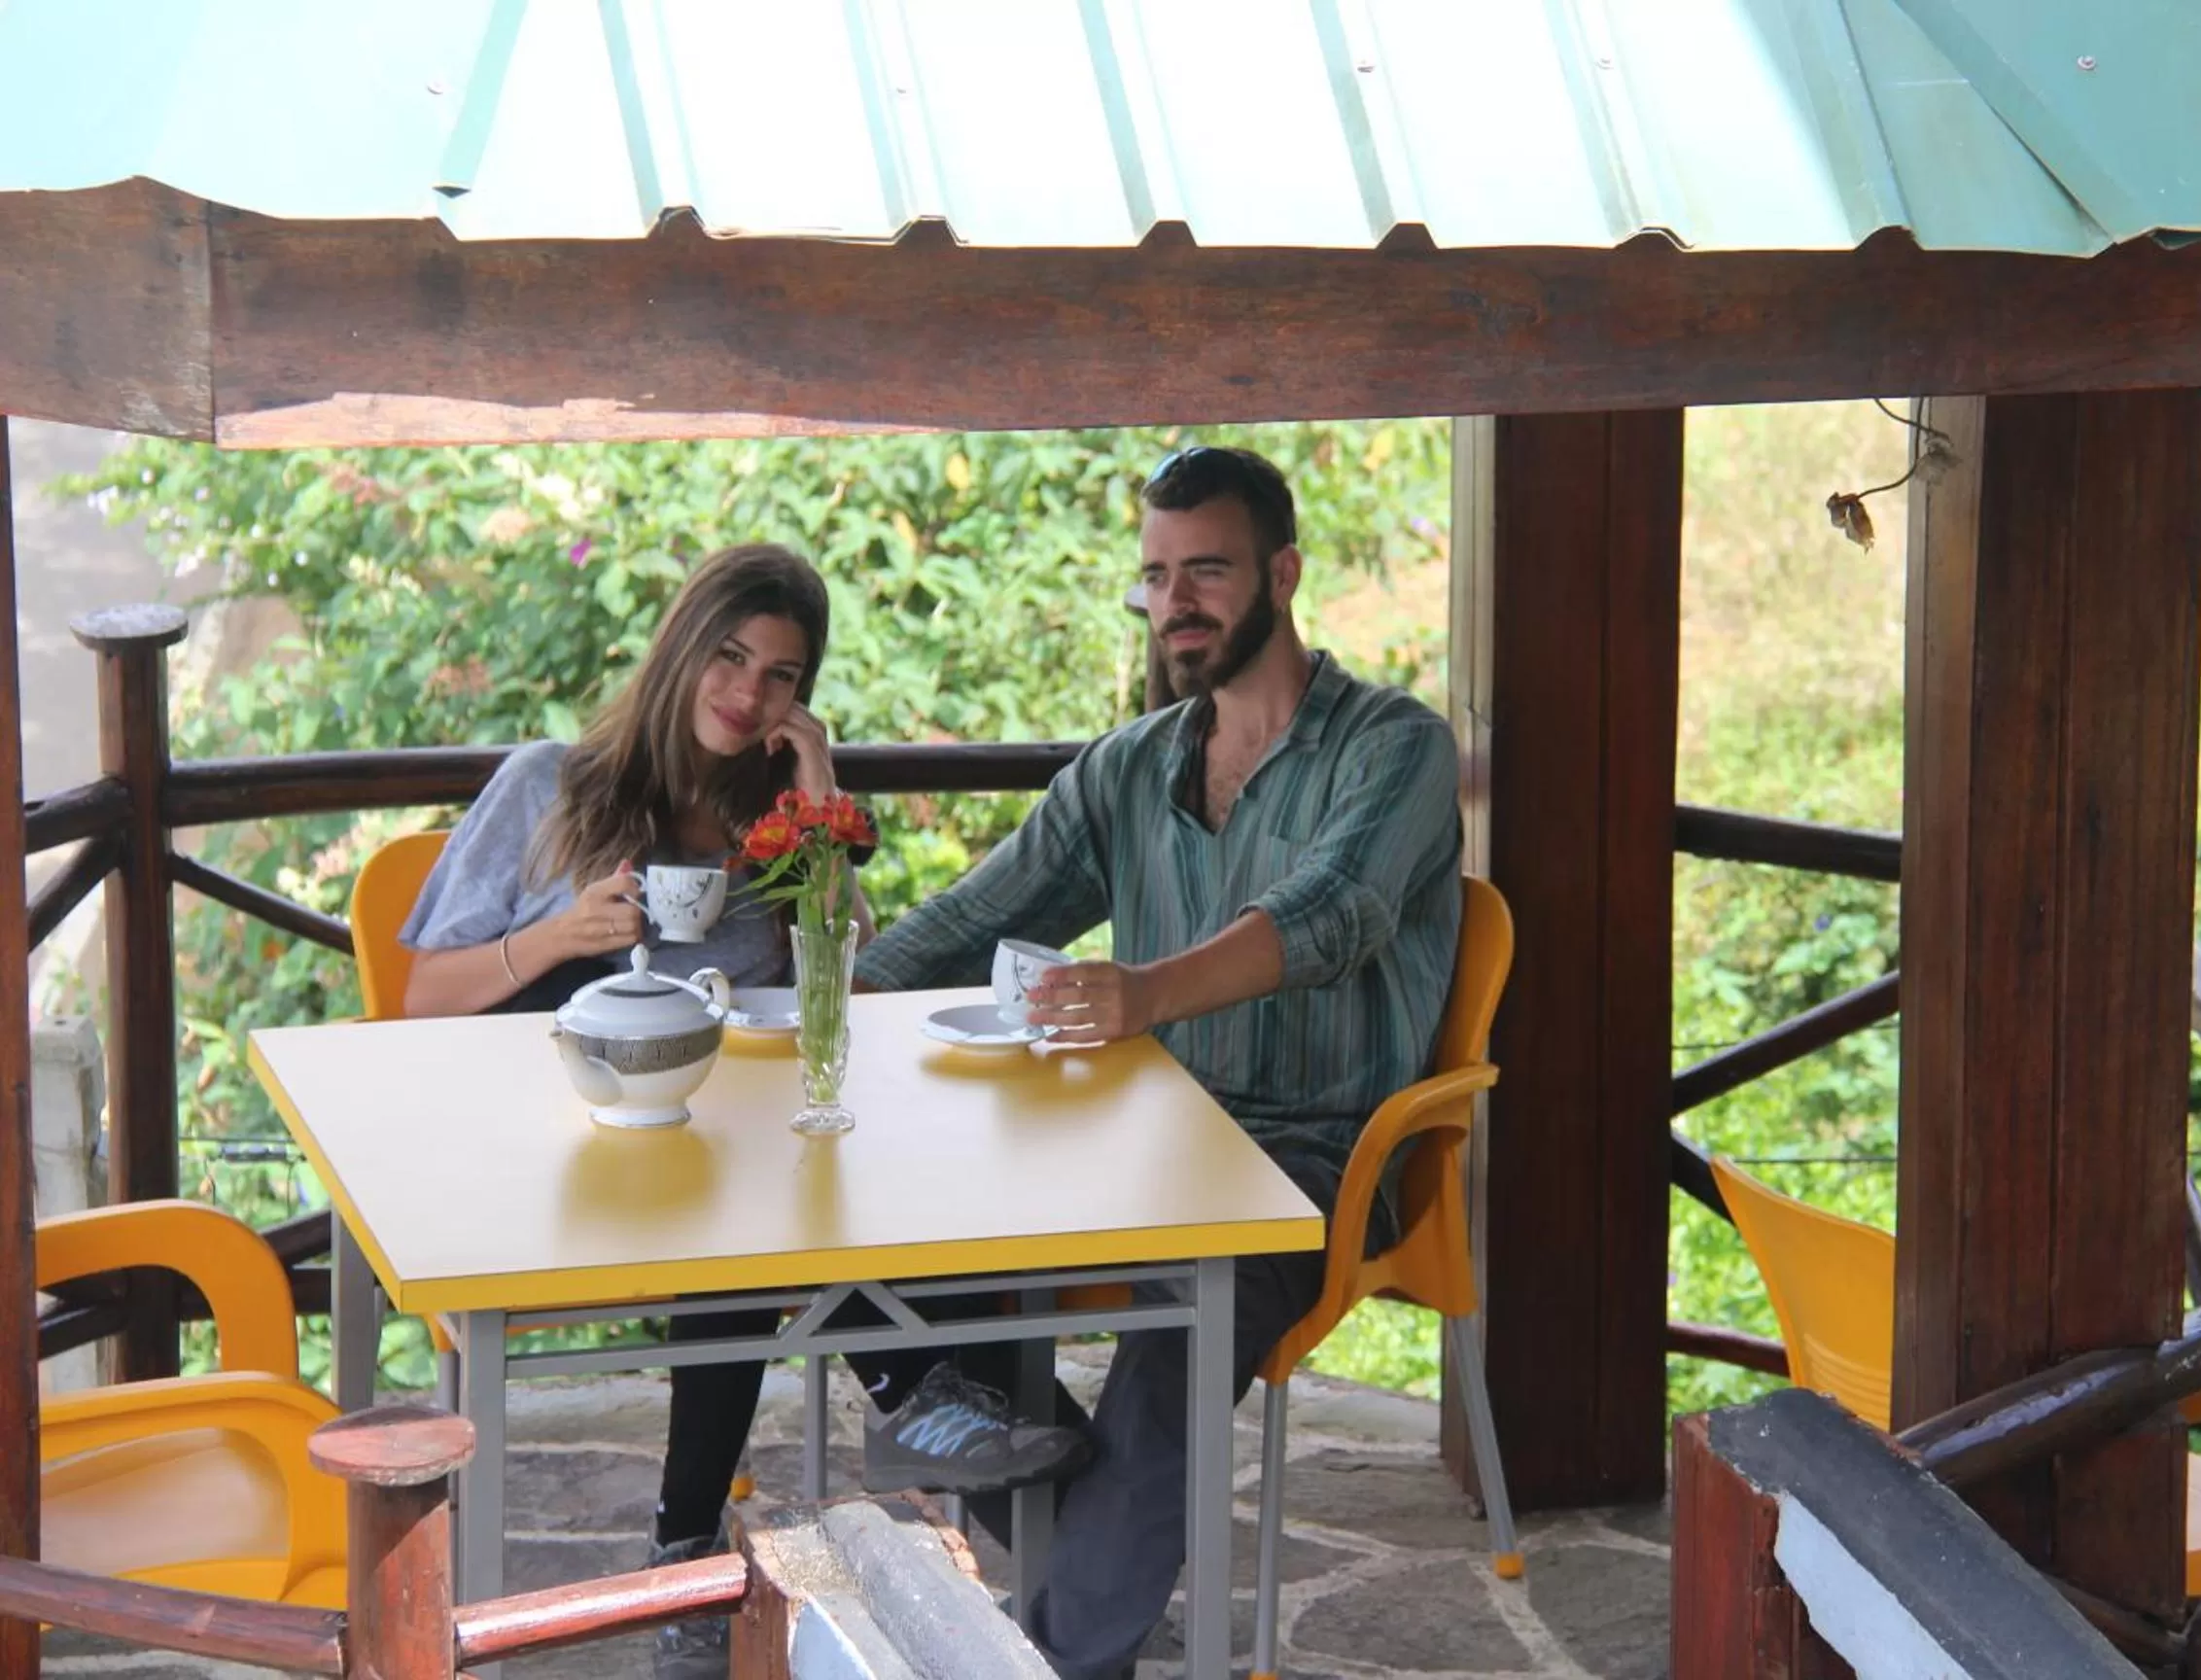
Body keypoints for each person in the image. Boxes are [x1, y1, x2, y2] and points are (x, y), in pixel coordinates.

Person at [853, 445, 1464, 1679]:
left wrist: (1145, 993)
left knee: (1180, 1337)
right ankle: (1089, 1568)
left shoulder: (1394, 746)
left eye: (1208, 571)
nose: (1175, 602)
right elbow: (968, 924)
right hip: (1138, 1141)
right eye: (1155, 576)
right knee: (894, 1263)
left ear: (1282, 575)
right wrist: (810, 1007)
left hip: (1313, 1157)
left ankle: (1069, 1649)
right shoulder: (1132, 765)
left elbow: (1330, 914)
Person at [396, 542, 883, 1676]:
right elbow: (418, 998)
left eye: (780, 676)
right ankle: (921, 1391)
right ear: (680, 648)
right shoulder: (550, 784)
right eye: (728, 656)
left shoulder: (771, 830)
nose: (746, 692)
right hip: (554, 1164)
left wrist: (819, 812)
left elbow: (848, 981)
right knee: (755, 1219)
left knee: (754, 1209)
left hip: (715, 1171)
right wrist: (551, 938)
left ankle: (687, 1560)